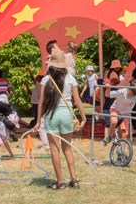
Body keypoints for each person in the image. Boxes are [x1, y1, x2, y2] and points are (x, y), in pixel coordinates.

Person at [35, 49, 86, 190]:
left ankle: (60, 181)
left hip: (52, 114)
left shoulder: (46, 79)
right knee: (67, 148)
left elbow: (41, 101)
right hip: (67, 114)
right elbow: (77, 99)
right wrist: (83, 117)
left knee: (55, 150)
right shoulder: (71, 78)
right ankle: (74, 180)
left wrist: (38, 121)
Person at [102, 79, 136, 145]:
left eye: (134, 95)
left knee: (125, 134)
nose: (131, 96)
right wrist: (108, 88)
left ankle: (122, 152)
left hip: (126, 114)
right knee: (114, 121)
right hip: (116, 110)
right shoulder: (122, 92)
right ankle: (109, 136)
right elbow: (107, 95)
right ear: (128, 88)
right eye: (130, 94)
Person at [24, 69, 49, 150]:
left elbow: (32, 78)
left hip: (38, 104)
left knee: (39, 120)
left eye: (37, 77)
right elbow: (29, 93)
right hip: (34, 104)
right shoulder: (37, 86)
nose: (36, 77)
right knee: (36, 119)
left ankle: (43, 135)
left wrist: (30, 72)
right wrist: (26, 86)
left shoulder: (39, 84)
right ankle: (41, 133)